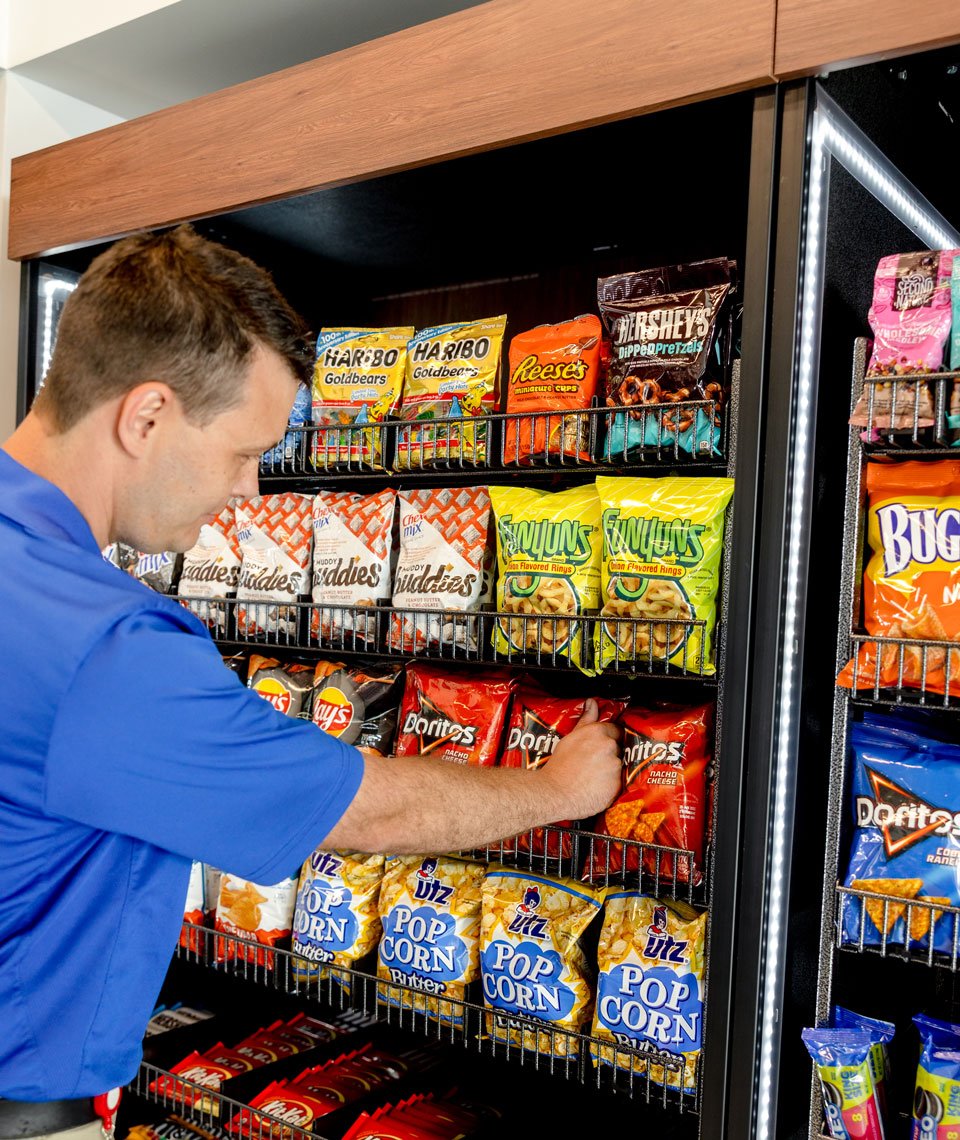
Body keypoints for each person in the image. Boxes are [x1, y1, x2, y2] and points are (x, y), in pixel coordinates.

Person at [0, 226, 621, 1134]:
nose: (251, 493)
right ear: (146, 417)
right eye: (242, 451)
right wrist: (558, 789)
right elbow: (369, 811)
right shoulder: (107, 647)